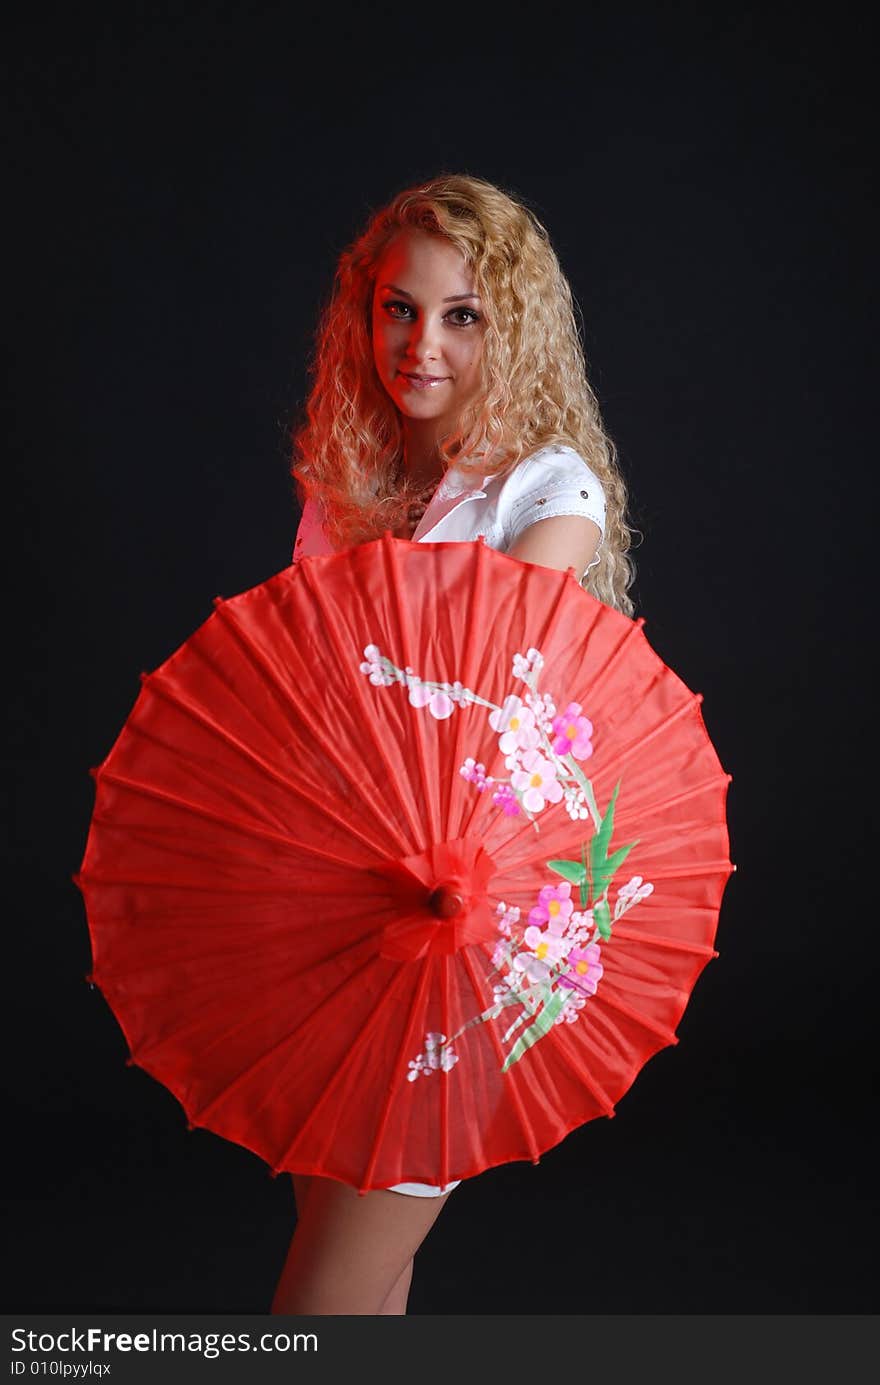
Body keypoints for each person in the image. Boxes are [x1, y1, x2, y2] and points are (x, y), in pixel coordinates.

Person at [271, 173, 637, 1316]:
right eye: (396, 307)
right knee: (373, 1284)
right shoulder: (352, 485)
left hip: (454, 920)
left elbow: (481, 703)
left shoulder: (548, 496)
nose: (418, 343)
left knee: (320, 1305)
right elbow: (305, 691)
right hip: (332, 897)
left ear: (511, 327)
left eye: (461, 314)